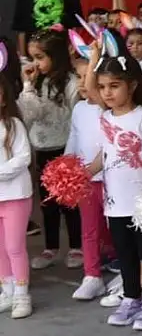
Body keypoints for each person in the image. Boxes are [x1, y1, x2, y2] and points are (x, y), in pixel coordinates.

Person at [83, 42, 142, 329]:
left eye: (114, 86)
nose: (106, 92)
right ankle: (131, 297)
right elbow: (105, 154)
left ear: (131, 86)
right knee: (125, 254)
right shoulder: (105, 117)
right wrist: (84, 172)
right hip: (116, 202)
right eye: (103, 86)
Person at [17, 30, 82, 271]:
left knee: (69, 202)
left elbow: (79, 116)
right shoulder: (36, 82)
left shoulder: (71, 83)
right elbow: (28, 114)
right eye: (32, 57)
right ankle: (51, 246)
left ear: (55, 56)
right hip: (42, 149)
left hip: (66, 148)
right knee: (48, 202)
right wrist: (27, 86)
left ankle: (76, 246)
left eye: (40, 57)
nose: (35, 63)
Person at [66, 58, 115, 301]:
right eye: (78, 76)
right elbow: (74, 138)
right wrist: (67, 168)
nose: (83, 82)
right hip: (87, 180)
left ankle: (120, 266)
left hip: (112, 178)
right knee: (89, 228)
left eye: (88, 76)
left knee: (114, 227)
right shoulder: (78, 109)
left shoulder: (107, 108)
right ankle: (91, 274)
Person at [0, 65, 33, 319]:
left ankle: (22, 294)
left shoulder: (13, 125)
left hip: (15, 196)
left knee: (14, 246)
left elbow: (23, 158)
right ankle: (7, 290)